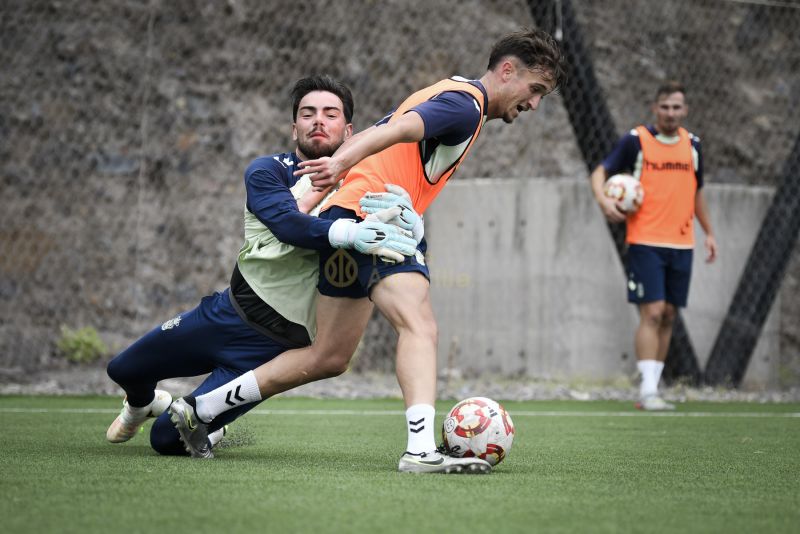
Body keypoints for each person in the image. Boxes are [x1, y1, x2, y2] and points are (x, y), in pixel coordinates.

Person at [171, 28, 566, 473]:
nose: (534, 103)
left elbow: (387, 134)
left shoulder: (453, 92)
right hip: (374, 218)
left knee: (330, 356)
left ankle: (201, 409)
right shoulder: (466, 105)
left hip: (351, 214)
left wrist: (336, 190)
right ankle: (419, 451)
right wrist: (340, 162)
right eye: (535, 89)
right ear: (508, 70)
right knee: (420, 327)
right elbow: (397, 129)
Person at [105, 75, 418, 456]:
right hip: (228, 314)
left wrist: (412, 222)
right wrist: (348, 233)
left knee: (166, 440)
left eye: (330, 114)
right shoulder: (268, 171)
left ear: (349, 131)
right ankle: (142, 405)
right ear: (294, 128)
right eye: (308, 114)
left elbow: (397, 231)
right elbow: (288, 224)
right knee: (122, 369)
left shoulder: (367, 183)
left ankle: (213, 426)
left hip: (274, 350)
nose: (318, 121)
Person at [589, 80, 718, 411]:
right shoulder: (636, 141)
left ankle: (654, 387)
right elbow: (599, 172)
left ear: (685, 110)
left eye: (676, 107)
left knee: (670, 314)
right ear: (655, 108)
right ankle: (647, 391)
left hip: (682, 242)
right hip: (645, 241)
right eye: (665, 107)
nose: (670, 113)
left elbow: (696, 192)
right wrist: (604, 201)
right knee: (653, 312)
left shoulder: (693, 146)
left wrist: (709, 232)